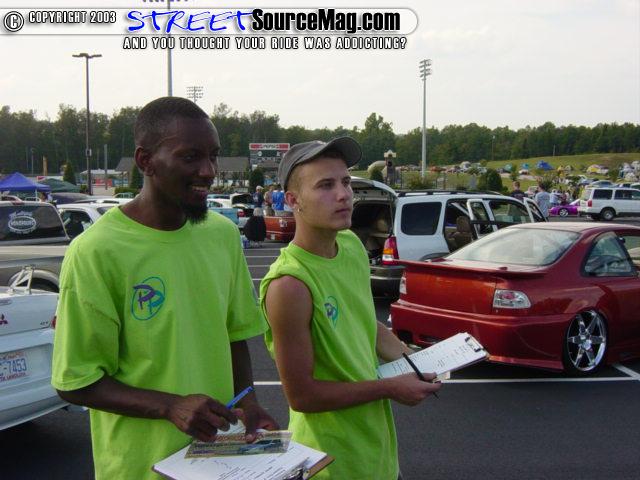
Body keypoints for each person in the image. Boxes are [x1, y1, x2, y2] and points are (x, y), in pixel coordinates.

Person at [51, 97, 277, 480]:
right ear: (146, 161)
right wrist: (170, 406)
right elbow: (75, 382)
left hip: (221, 460)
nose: (208, 171)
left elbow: (235, 334)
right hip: (139, 468)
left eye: (213, 156)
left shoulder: (222, 235)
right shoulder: (96, 251)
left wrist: (248, 401)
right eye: (190, 157)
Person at [260, 138, 441, 479]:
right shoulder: (289, 284)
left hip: (379, 455)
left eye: (345, 182)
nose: (344, 194)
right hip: (330, 462)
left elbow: (366, 325)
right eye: (325, 185)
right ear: (293, 200)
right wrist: (390, 387)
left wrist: (419, 362)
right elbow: (302, 396)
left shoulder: (350, 245)